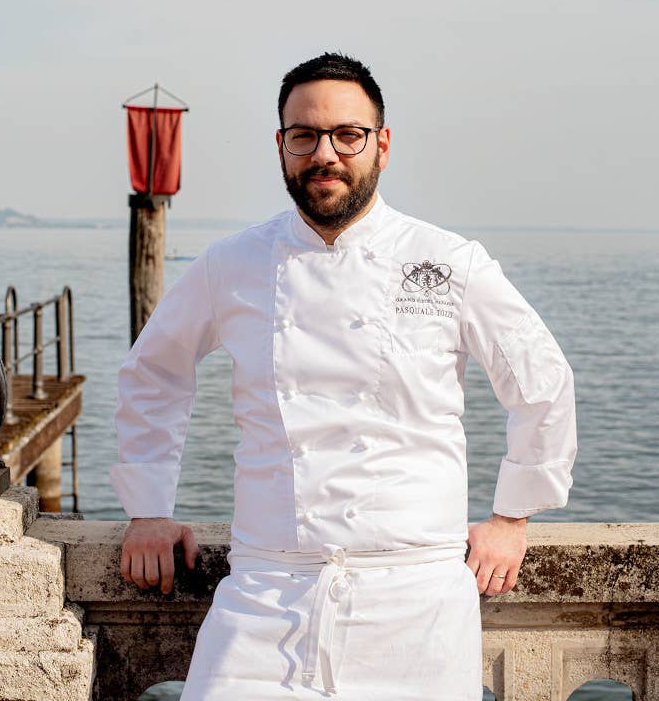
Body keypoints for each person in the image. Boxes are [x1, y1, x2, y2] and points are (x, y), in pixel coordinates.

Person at [112, 52, 577, 699]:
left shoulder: (446, 262)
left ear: (381, 145)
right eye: (303, 136)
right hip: (266, 592)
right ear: (281, 147)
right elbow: (153, 375)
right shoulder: (232, 264)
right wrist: (147, 509)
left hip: (415, 596)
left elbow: (540, 379)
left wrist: (514, 515)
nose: (324, 153)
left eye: (347, 135)